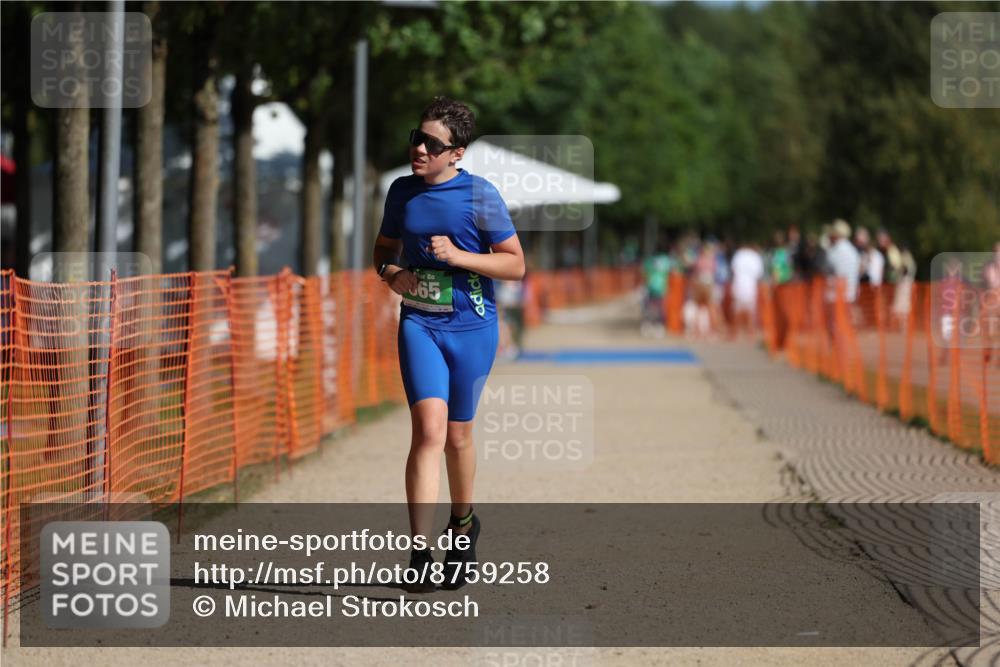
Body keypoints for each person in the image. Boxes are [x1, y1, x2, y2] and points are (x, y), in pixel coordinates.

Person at [372, 97, 525, 593]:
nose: (419, 148)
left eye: (432, 144)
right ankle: (419, 553)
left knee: (458, 437)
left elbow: (515, 264)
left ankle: (462, 524)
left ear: (456, 152)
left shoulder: (480, 195)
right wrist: (391, 273)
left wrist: (460, 256)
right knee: (428, 432)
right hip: (420, 323)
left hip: (473, 327)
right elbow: (383, 248)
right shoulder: (401, 191)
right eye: (416, 138)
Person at [730, 241, 764, 338]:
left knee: (737, 308)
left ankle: (734, 332)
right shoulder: (755, 256)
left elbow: (733, 270)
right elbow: (759, 274)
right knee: (750, 309)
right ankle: (750, 332)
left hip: (738, 283)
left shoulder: (738, 254)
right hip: (750, 285)